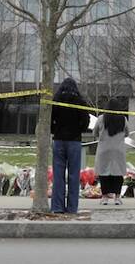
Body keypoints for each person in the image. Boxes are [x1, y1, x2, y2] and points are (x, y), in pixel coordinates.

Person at [50, 77, 90, 214]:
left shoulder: (55, 101)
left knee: (58, 175)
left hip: (59, 140)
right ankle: (72, 207)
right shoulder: (80, 102)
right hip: (74, 141)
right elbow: (86, 122)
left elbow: (50, 120)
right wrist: (78, 130)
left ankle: (57, 206)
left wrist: (54, 130)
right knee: (73, 175)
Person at [92, 98, 129, 206]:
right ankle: (117, 197)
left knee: (104, 174)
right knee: (118, 174)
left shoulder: (101, 119)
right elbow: (127, 133)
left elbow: (95, 132)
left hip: (104, 150)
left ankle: (104, 198)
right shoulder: (123, 119)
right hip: (118, 150)